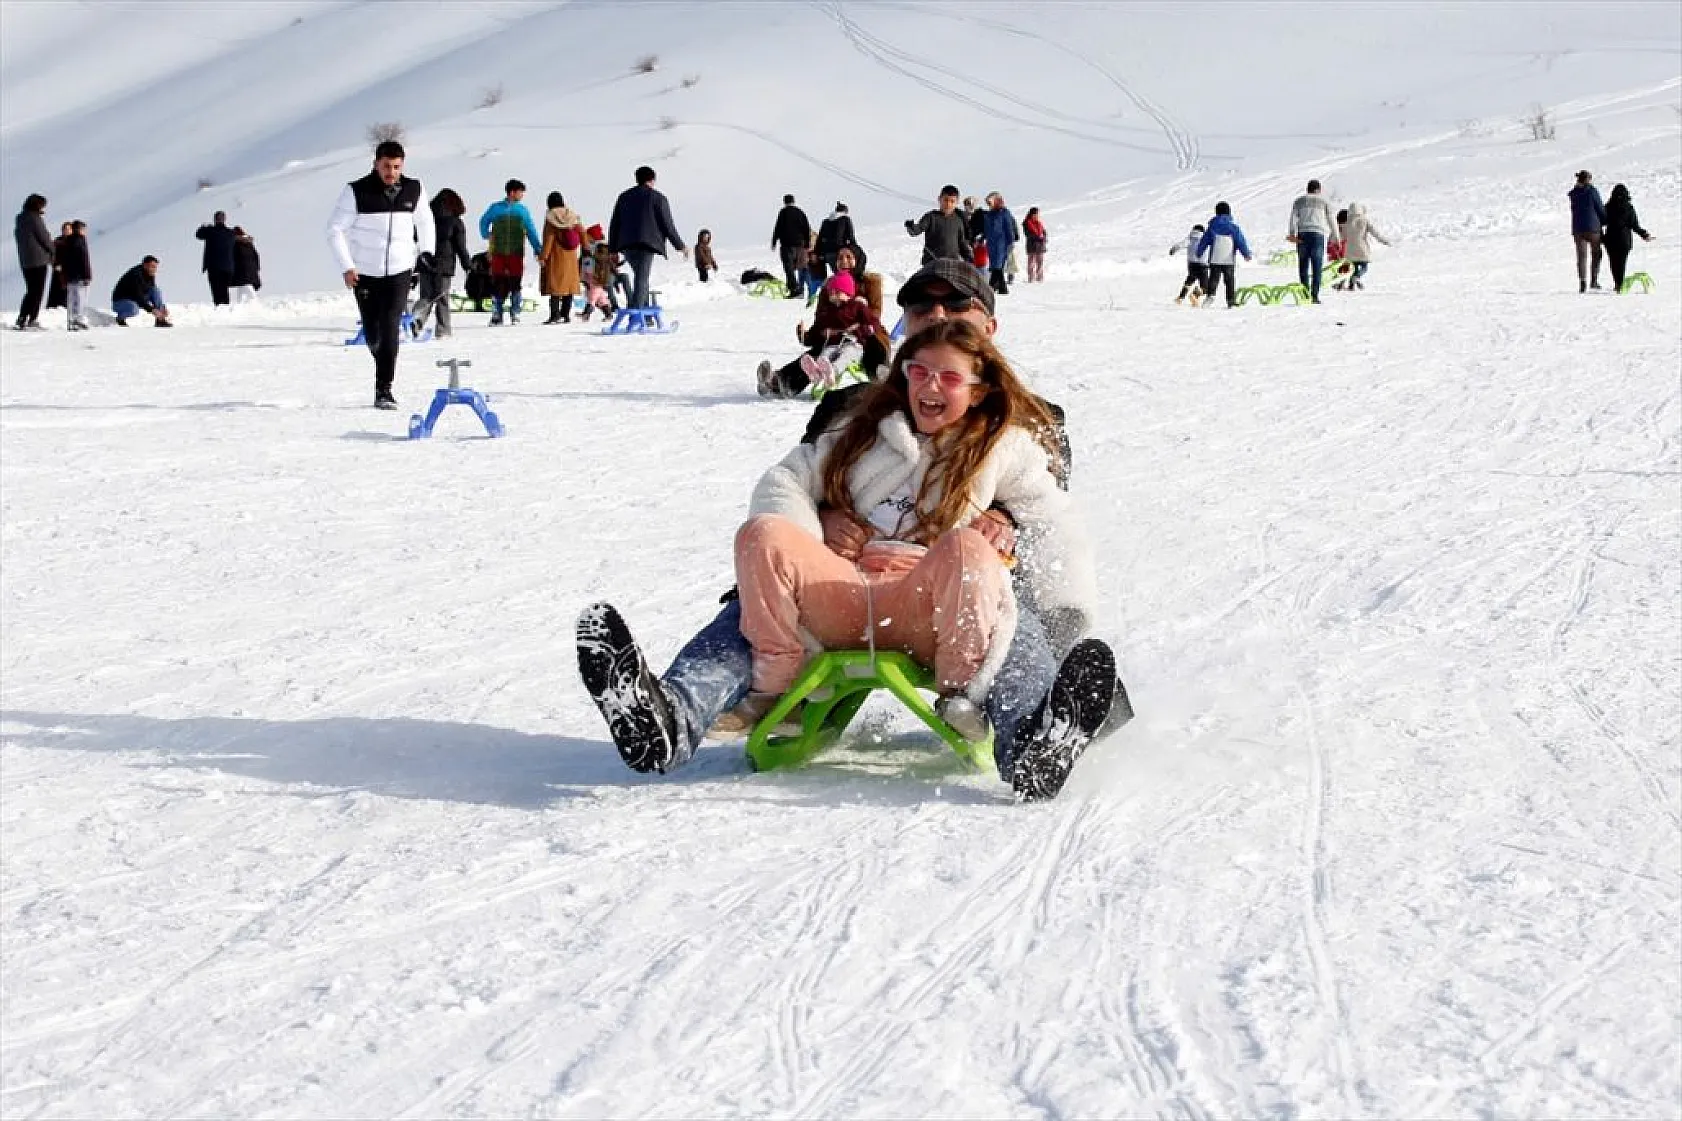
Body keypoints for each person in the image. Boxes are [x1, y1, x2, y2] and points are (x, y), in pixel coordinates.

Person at [580, 317, 1114, 801]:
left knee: (976, 564)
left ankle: (1029, 744)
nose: (930, 386)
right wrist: (818, 522)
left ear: (979, 388)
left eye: (949, 378)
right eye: (919, 371)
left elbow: (1057, 519)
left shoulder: (1004, 445)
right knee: (763, 535)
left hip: (933, 611)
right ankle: (671, 719)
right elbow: (785, 481)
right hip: (842, 593)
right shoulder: (860, 427)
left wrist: (1063, 610)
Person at [326, 139, 433, 408]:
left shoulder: (414, 189)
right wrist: (347, 266)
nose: (391, 172)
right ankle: (381, 354)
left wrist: (425, 252)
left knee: (390, 327)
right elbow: (335, 230)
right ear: (376, 164)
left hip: (400, 271)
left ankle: (384, 389)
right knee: (373, 333)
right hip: (365, 273)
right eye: (386, 166)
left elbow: (425, 221)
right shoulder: (356, 191)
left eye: (396, 167)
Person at [608, 165, 687, 309]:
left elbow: (615, 224)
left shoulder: (623, 197)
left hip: (626, 245)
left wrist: (612, 249)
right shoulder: (658, 198)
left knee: (641, 276)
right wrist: (680, 246)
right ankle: (637, 312)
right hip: (647, 244)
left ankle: (645, 313)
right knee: (642, 278)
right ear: (652, 180)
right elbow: (667, 225)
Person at [410, 188, 472, 339]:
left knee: (426, 295)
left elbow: (414, 238)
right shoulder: (455, 222)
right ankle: (443, 330)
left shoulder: (427, 220)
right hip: (444, 264)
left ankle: (416, 319)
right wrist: (468, 265)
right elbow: (461, 247)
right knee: (442, 298)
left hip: (425, 263)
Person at [479, 179, 542, 325]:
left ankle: (515, 313)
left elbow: (531, 230)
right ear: (512, 192)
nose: (522, 195)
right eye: (520, 192)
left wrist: (538, 248)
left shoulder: (522, 210)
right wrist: (486, 234)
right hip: (498, 252)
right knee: (498, 283)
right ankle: (497, 314)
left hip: (516, 252)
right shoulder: (495, 208)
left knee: (515, 283)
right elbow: (483, 221)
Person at [1286, 179, 1339, 304]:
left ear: (1307, 189)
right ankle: (1314, 296)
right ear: (1318, 190)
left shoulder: (1299, 201)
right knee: (1317, 266)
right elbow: (1331, 219)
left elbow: (1293, 218)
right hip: (1317, 235)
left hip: (1302, 234)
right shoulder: (1324, 201)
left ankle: (1305, 294)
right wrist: (1336, 236)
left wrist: (1292, 233)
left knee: (1303, 265)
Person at [538, 190, 585, 325]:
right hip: (571, 256)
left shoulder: (551, 217)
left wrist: (543, 256)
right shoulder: (572, 216)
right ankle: (565, 315)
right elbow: (582, 232)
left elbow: (549, 239)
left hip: (556, 256)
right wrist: (586, 247)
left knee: (555, 287)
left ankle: (554, 315)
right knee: (568, 287)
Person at [1195, 202, 1253, 308]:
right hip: (1228, 259)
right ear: (1229, 212)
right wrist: (1246, 254)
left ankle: (1211, 296)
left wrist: (1199, 252)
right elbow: (1240, 242)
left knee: (1213, 279)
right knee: (1229, 280)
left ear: (1216, 213)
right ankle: (1231, 301)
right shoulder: (1234, 228)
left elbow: (1204, 241)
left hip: (1215, 259)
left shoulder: (1212, 227)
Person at [1602, 183, 1654, 294]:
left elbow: (1602, 221)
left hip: (1611, 239)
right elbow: (1634, 225)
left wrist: (1601, 237)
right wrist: (1644, 234)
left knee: (1613, 263)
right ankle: (1619, 285)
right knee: (1621, 263)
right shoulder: (1629, 208)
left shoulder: (1608, 207)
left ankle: (1618, 284)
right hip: (1624, 240)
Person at [13, 194, 53, 331]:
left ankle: (22, 317)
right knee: (37, 291)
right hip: (39, 260)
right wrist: (52, 250)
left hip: (25, 261)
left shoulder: (20, 220)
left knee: (30, 291)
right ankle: (32, 319)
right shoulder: (35, 219)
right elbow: (44, 237)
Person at [905, 186, 970, 264]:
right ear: (939, 199)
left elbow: (962, 242)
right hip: (932, 263)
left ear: (957, 203)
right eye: (945, 200)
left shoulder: (958, 220)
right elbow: (917, 230)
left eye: (952, 201)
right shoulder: (931, 217)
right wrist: (911, 227)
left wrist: (968, 257)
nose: (948, 204)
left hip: (952, 263)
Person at [1568, 169, 1608, 293]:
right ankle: (1594, 280)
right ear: (1588, 180)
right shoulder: (1592, 191)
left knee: (1581, 256)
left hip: (1577, 229)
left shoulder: (1573, 194)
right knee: (1596, 253)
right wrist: (1605, 220)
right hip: (1593, 228)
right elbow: (1599, 207)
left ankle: (1582, 282)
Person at [1340, 202, 1392, 291]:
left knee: (1353, 267)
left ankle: (1351, 285)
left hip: (1349, 250)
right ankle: (1357, 277)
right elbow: (1375, 233)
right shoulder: (1365, 221)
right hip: (1362, 248)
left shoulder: (1346, 222)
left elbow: (1342, 236)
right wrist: (1385, 241)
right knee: (1364, 267)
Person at [110, 255, 173, 327]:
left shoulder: (150, 274)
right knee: (133, 309)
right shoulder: (135, 275)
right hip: (120, 302)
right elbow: (138, 297)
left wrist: (162, 308)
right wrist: (152, 310)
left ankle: (160, 320)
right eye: (152, 267)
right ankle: (119, 319)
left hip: (135, 299)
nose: (154, 269)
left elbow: (153, 292)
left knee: (156, 290)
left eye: (155, 267)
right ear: (145, 265)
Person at [771, 193, 811, 299]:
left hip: (787, 245)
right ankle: (808, 288)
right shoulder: (800, 212)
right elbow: (806, 227)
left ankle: (794, 289)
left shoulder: (783, 212)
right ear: (793, 201)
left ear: (784, 202)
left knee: (789, 268)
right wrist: (807, 243)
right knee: (802, 267)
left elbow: (778, 227)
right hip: (800, 245)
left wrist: (774, 241)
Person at [196, 210, 238, 306]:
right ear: (224, 219)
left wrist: (203, 227)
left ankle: (220, 308)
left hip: (214, 267)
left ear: (215, 219)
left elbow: (198, 235)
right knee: (224, 290)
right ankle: (226, 307)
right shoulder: (231, 233)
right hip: (228, 267)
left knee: (216, 291)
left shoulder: (210, 231)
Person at [982, 192, 1018, 295]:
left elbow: (1009, 228)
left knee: (997, 266)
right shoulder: (989, 215)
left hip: (1001, 243)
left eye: (990, 202)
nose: (989, 205)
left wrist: (1011, 242)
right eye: (988, 203)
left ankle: (992, 287)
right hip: (991, 244)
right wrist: (983, 238)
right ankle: (1000, 288)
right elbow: (987, 229)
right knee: (995, 266)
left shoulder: (1004, 213)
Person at [58, 219, 92, 331]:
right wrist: (87, 275)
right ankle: (78, 319)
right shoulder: (80, 240)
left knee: (71, 299)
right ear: (80, 229)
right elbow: (84, 259)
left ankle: (71, 320)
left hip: (70, 275)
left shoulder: (67, 241)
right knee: (80, 298)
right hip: (80, 275)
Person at [813, 201, 857, 281]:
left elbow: (820, 239)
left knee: (838, 274)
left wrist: (817, 252)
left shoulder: (826, 222)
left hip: (828, 254)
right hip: (841, 253)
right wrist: (855, 250)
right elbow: (851, 237)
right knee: (846, 276)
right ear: (845, 211)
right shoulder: (845, 219)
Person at [1171, 222, 1210, 304]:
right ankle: (1195, 294)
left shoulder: (1190, 238)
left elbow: (1181, 244)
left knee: (1189, 280)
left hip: (1191, 264)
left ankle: (1180, 298)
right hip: (1203, 265)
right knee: (1205, 287)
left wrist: (1174, 248)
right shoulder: (1205, 238)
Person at [230, 227, 261, 303]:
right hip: (251, 270)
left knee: (246, 286)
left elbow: (233, 257)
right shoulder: (249, 243)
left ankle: (256, 305)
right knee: (242, 287)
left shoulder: (235, 244)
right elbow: (256, 256)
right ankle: (240, 305)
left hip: (243, 270)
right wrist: (257, 267)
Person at [47, 220, 71, 312]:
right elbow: (51, 255)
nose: (66, 231)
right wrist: (55, 265)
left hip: (69, 271)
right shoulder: (57, 241)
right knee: (56, 291)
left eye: (68, 229)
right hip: (58, 271)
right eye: (65, 229)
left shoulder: (74, 242)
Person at [1023, 207, 1048, 282]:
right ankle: (1031, 279)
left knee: (1040, 263)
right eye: (1036, 214)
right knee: (1031, 263)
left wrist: (1044, 238)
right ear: (1032, 214)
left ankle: (1040, 278)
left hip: (1040, 246)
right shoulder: (1027, 223)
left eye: (1037, 214)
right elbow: (1028, 234)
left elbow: (1044, 232)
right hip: (1032, 245)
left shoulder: (1039, 223)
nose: (1037, 215)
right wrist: (1038, 237)